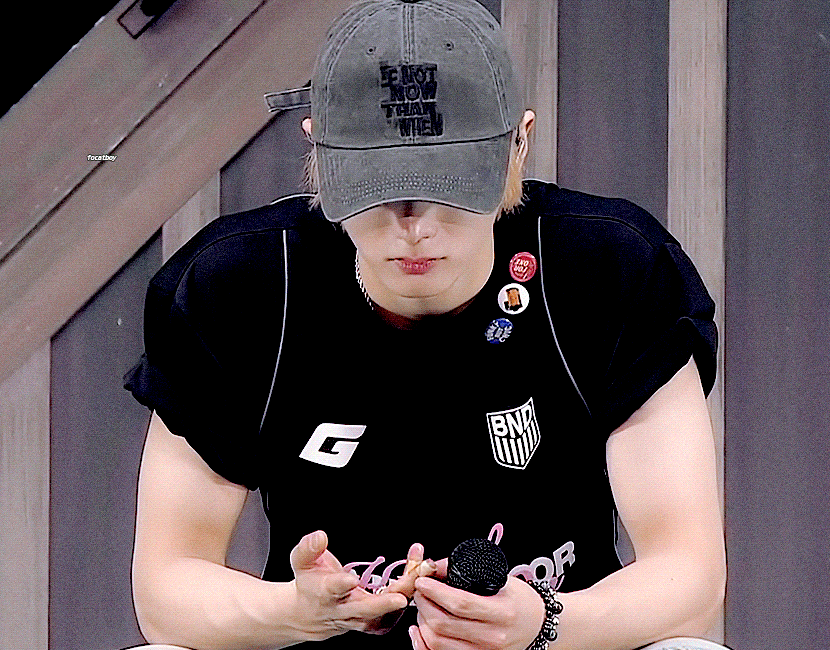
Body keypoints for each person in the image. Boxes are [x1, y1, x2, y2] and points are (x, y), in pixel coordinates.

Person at [124, 1, 728, 649]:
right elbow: (166, 586)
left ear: (518, 144)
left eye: (451, 184)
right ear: (317, 151)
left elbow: (689, 574)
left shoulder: (612, 268)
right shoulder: (239, 284)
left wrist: (544, 623)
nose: (415, 225)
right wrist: (293, 613)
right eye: (376, 186)